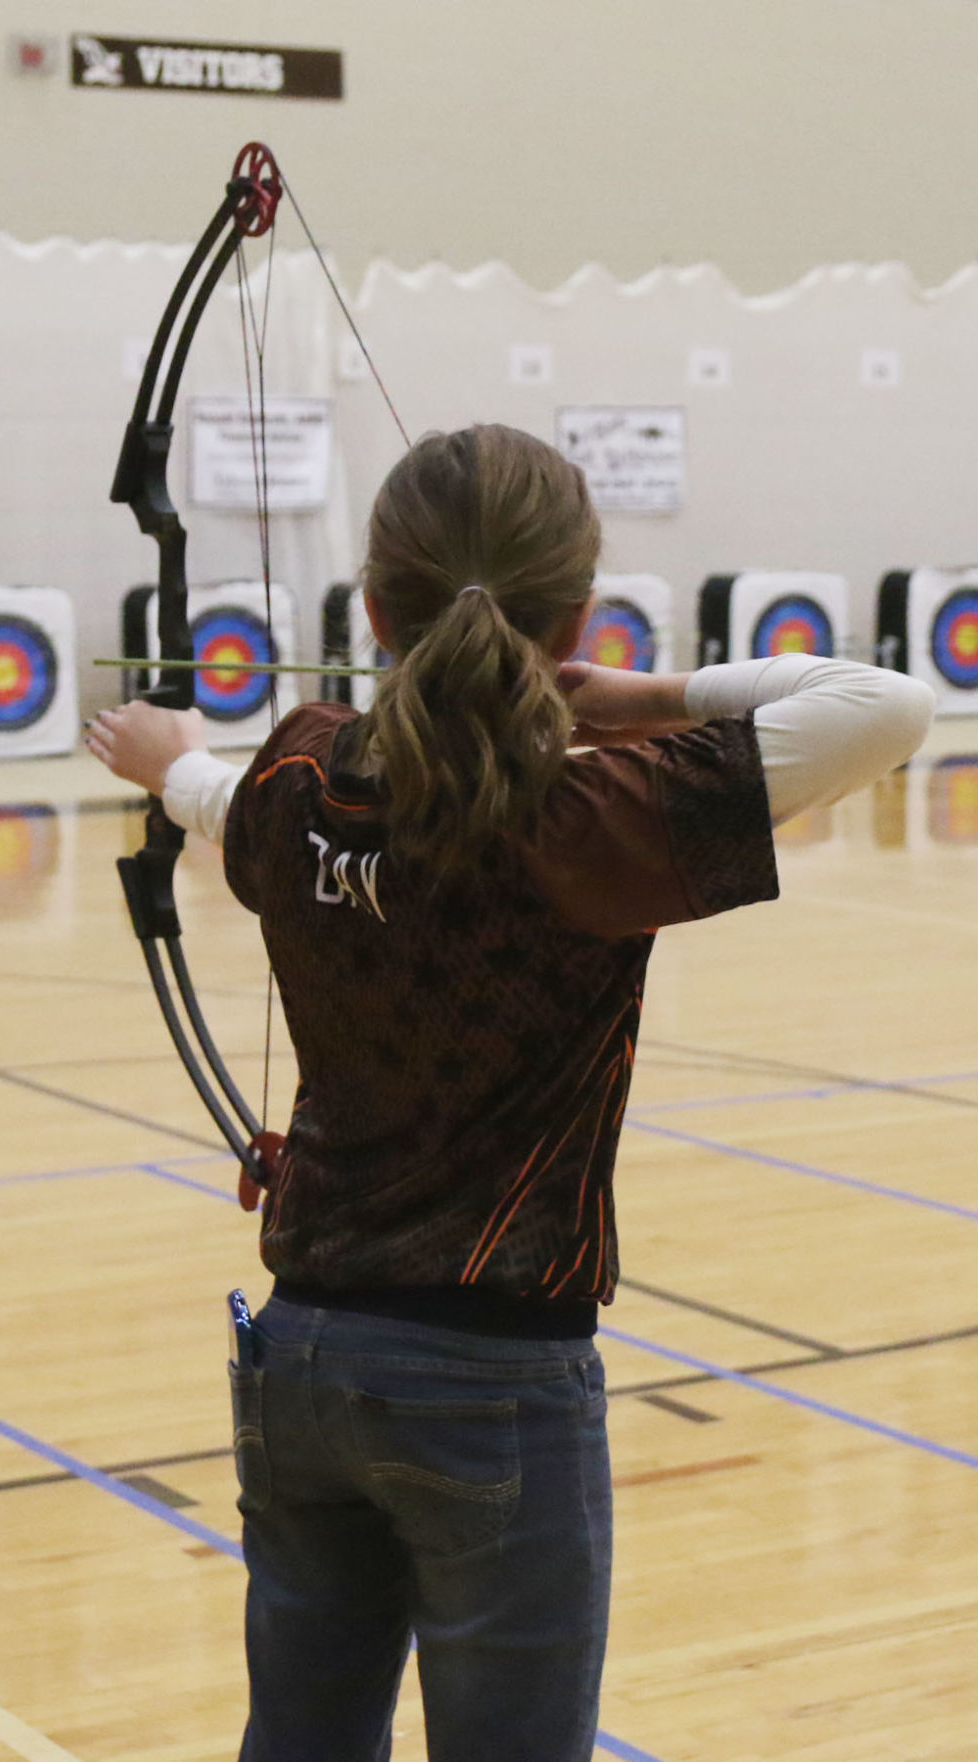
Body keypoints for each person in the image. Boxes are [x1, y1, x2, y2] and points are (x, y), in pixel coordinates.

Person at [87, 424, 935, 1762]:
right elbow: (888, 705)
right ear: (581, 613)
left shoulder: (304, 769)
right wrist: (627, 693)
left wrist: (162, 757)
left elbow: (220, 794)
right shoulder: (588, 817)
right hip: (494, 1378)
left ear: (370, 610)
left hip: (302, 1361)